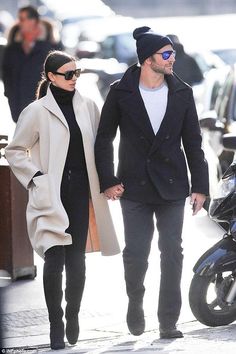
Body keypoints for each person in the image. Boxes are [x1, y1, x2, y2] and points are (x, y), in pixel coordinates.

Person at [95, 26, 209, 339]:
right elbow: (104, 137)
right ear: (148, 60)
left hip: (172, 184)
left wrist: (200, 187)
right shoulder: (121, 91)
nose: (173, 58)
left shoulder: (182, 92)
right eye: (167, 54)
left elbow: (193, 143)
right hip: (133, 185)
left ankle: (168, 320)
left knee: (172, 251)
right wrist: (108, 179)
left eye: (172, 52)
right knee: (135, 253)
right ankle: (135, 302)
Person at [5, 50, 120, 349]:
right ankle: (56, 323)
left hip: (82, 193)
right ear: (52, 77)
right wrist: (36, 178)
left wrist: (109, 180)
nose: (74, 79)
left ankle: (73, 314)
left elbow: (102, 146)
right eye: (68, 74)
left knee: (77, 262)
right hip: (50, 195)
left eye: (77, 73)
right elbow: (15, 150)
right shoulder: (36, 111)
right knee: (54, 260)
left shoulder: (89, 106)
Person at [2, 5, 63, 122]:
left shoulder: (51, 44)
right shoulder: (12, 46)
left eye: (23, 19)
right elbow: (6, 72)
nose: (20, 22)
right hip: (17, 100)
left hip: (43, 100)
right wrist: (8, 93)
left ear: (33, 21)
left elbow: (59, 72)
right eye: (19, 18)